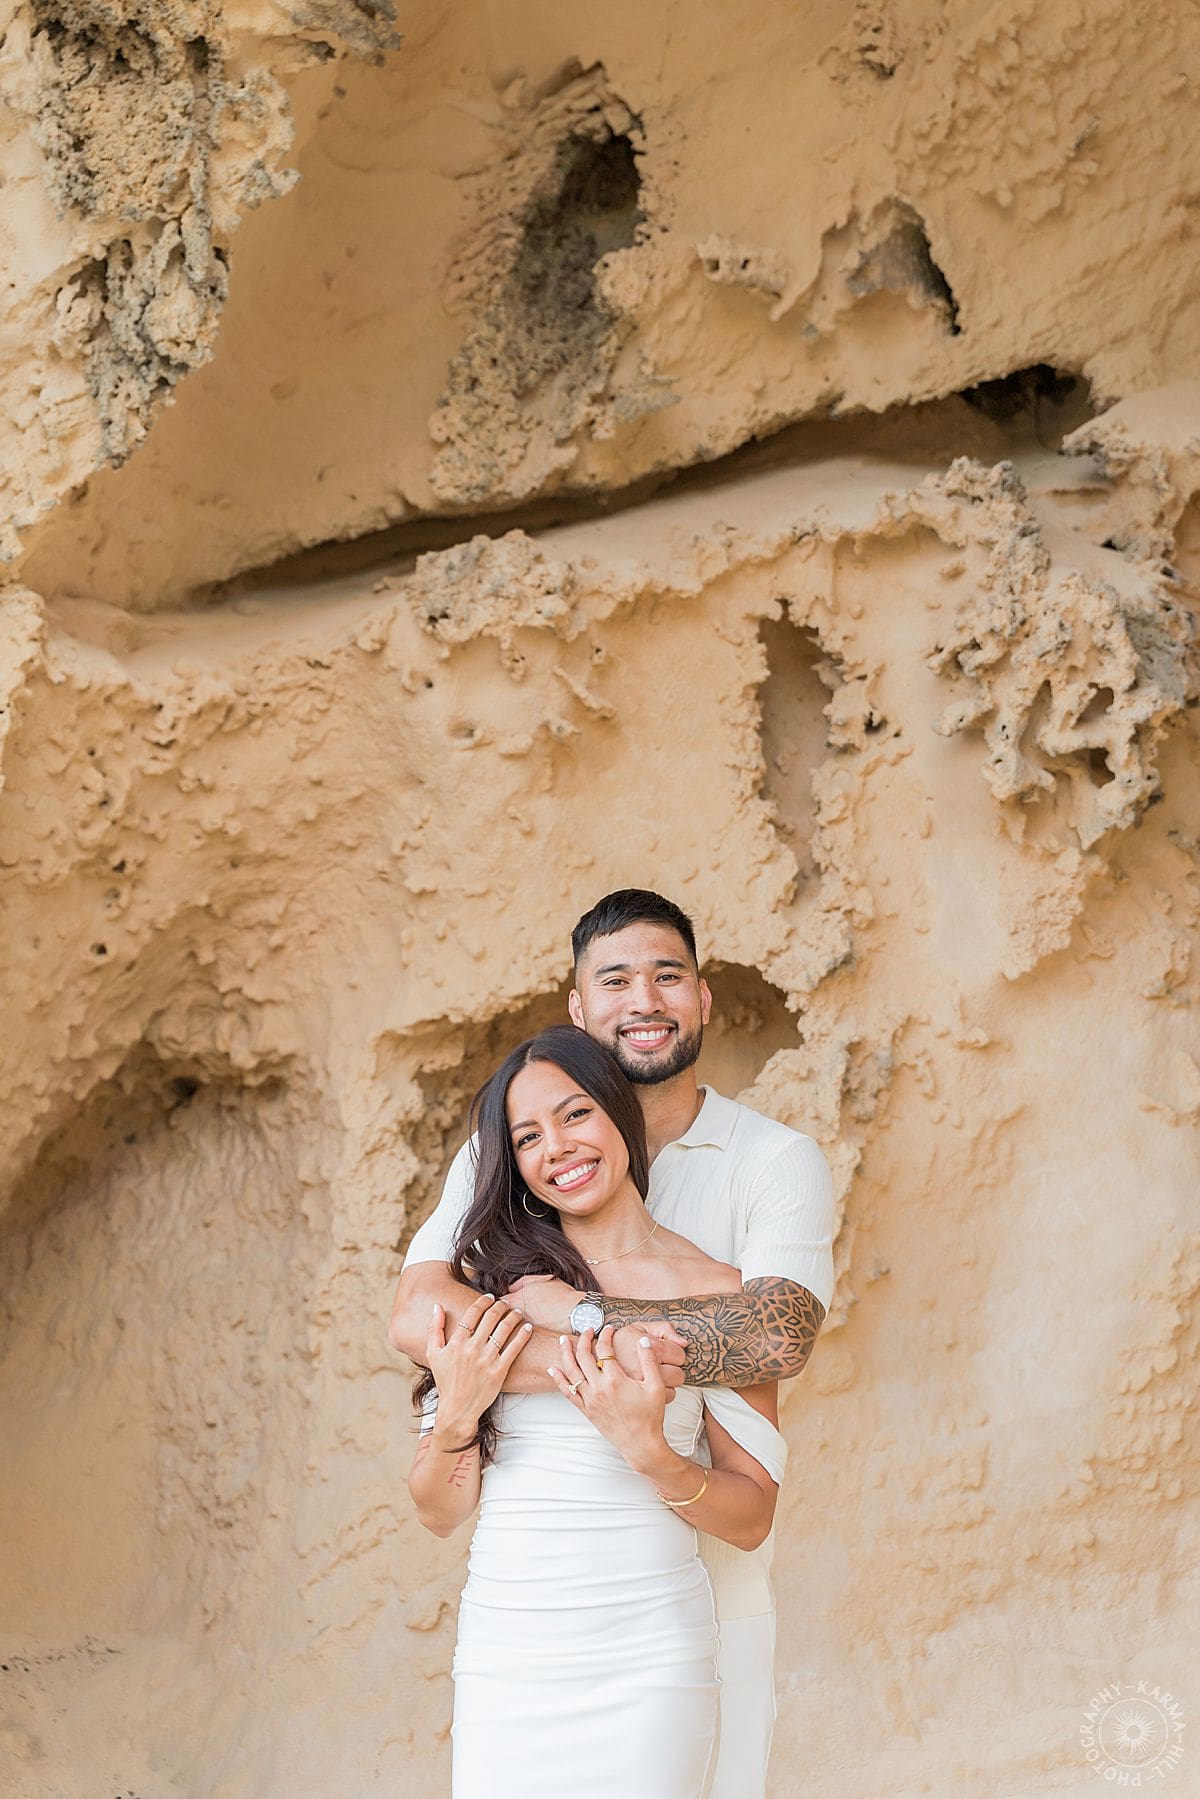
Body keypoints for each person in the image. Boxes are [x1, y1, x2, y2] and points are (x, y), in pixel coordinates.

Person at [391, 889, 836, 1796]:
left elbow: (773, 1337)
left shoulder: (766, 1170)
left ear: (703, 996)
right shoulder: (504, 1233)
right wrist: (485, 1394)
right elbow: (417, 1318)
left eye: (667, 975)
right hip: (516, 1640)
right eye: (615, 980)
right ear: (579, 1008)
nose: (643, 1000)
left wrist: (581, 1321)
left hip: (681, 1616)